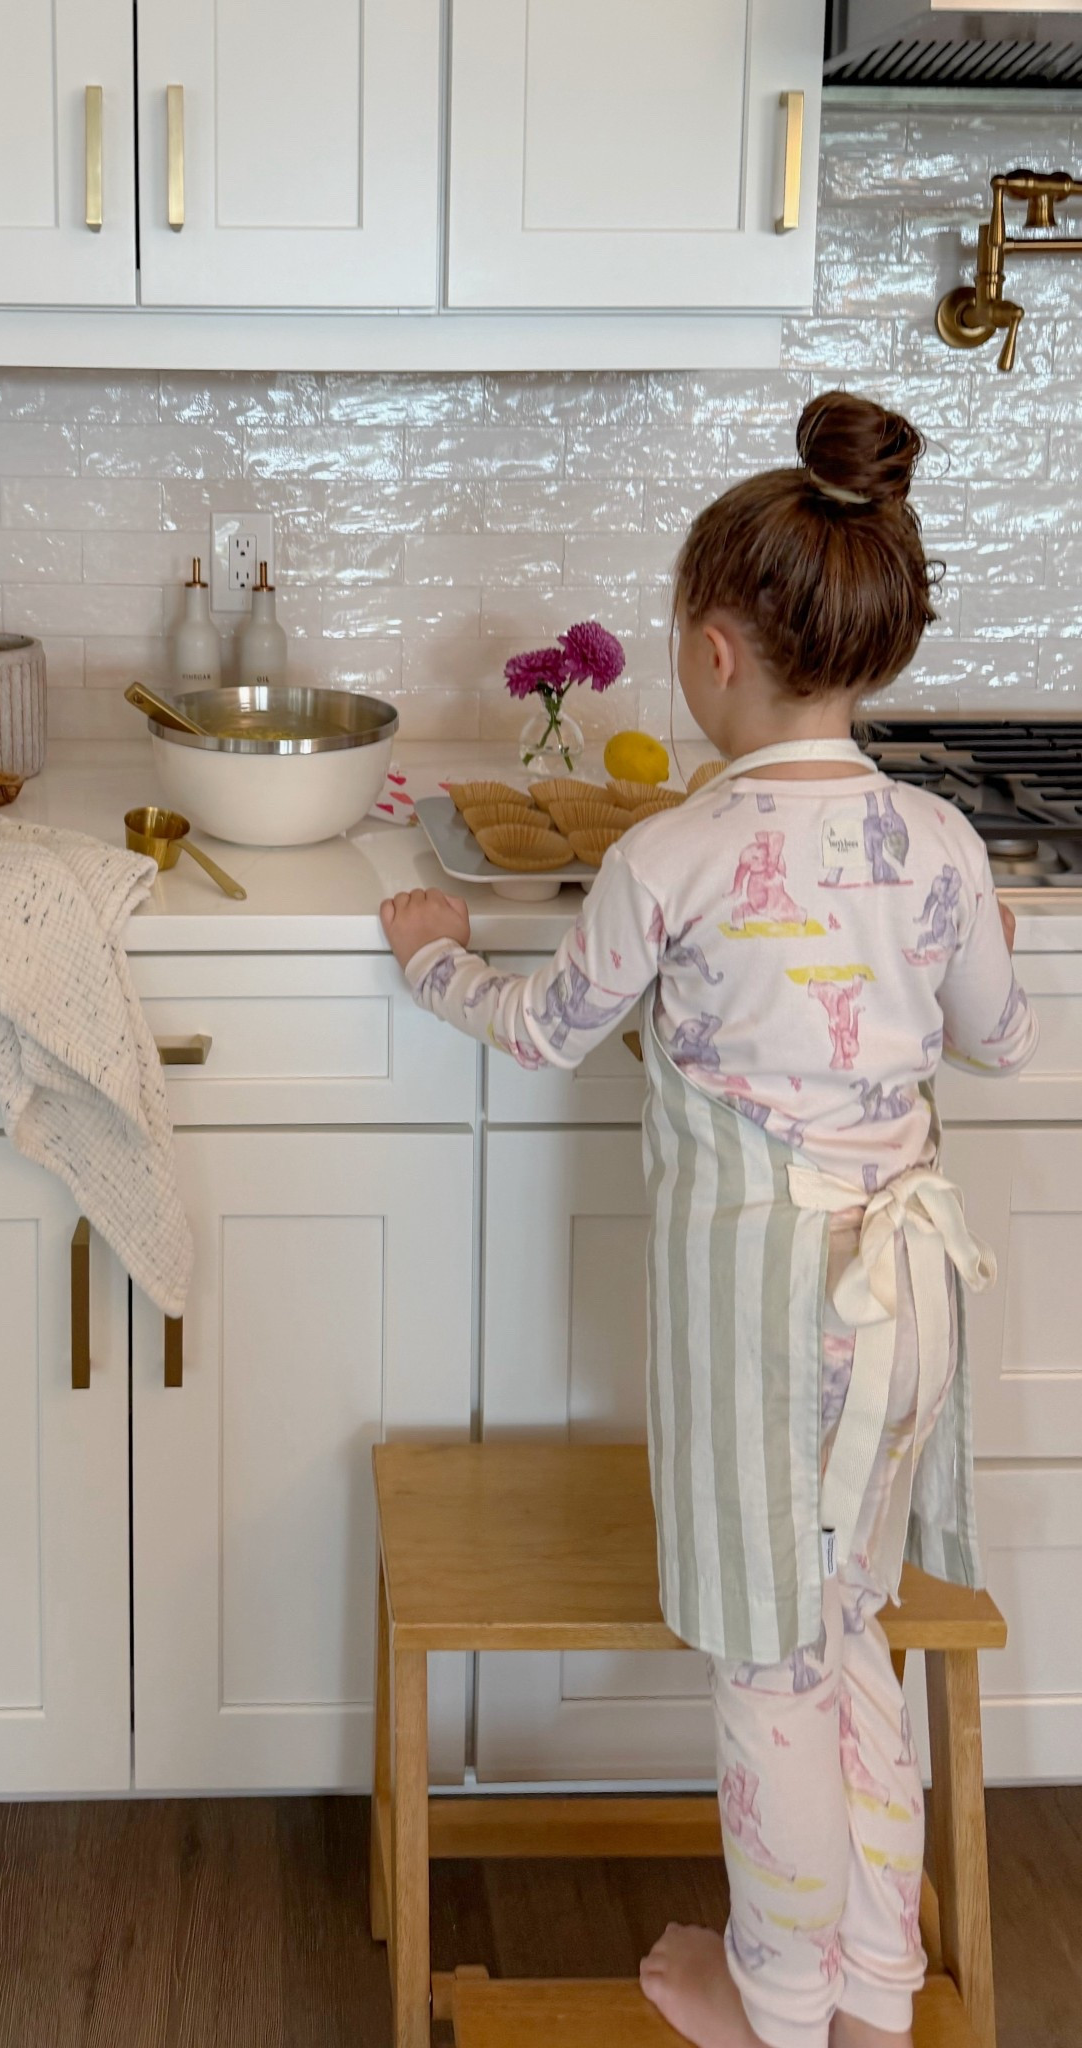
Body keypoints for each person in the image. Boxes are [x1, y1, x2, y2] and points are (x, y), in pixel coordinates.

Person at [379, 390, 1038, 2048]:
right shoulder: (944, 840)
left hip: (771, 1327)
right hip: (910, 1313)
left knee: (768, 1669)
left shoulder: (674, 854)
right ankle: (874, 1991)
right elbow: (1004, 1039)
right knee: (857, 1640)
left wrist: (430, 949)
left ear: (715, 651)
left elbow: (540, 1030)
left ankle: (768, 2002)